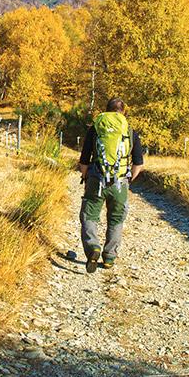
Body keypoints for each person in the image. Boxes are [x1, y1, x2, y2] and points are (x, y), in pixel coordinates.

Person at [77, 97, 144, 273]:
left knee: (89, 215)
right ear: (123, 112)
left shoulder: (95, 129)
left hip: (96, 179)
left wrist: (86, 177)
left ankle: (93, 247)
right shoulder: (130, 131)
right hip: (120, 182)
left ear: (106, 110)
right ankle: (109, 257)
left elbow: (84, 160)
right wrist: (128, 180)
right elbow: (138, 163)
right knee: (116, 219)